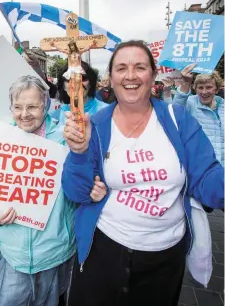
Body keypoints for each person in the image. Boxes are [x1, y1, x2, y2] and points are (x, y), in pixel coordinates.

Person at [61, 40, 224, 306]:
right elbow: (76, 192)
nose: (131, 75)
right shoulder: (96, 124)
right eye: (121, 68)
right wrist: (78, 152)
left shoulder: (177, 119)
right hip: (103, 251)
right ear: (110, 78)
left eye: (140, 67)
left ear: (153, 73)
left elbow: (206, 177)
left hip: (164, 257)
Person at [0, 75, 76, 306]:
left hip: (53, 246)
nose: (24, 114)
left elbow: (79, 187)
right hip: (14, 249)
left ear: (46, 104)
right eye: (17, 107)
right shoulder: (0, 139)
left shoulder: (66, 138)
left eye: (32, 106)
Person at [168, 66, 224, 166]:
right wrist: (185, 83)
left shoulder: (223, 105)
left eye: (209, 87)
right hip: (202, 166)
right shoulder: (191, 102)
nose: (204, 91)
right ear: (195, 89)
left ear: (216, 89)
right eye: (200, 87)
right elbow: (176, 112)